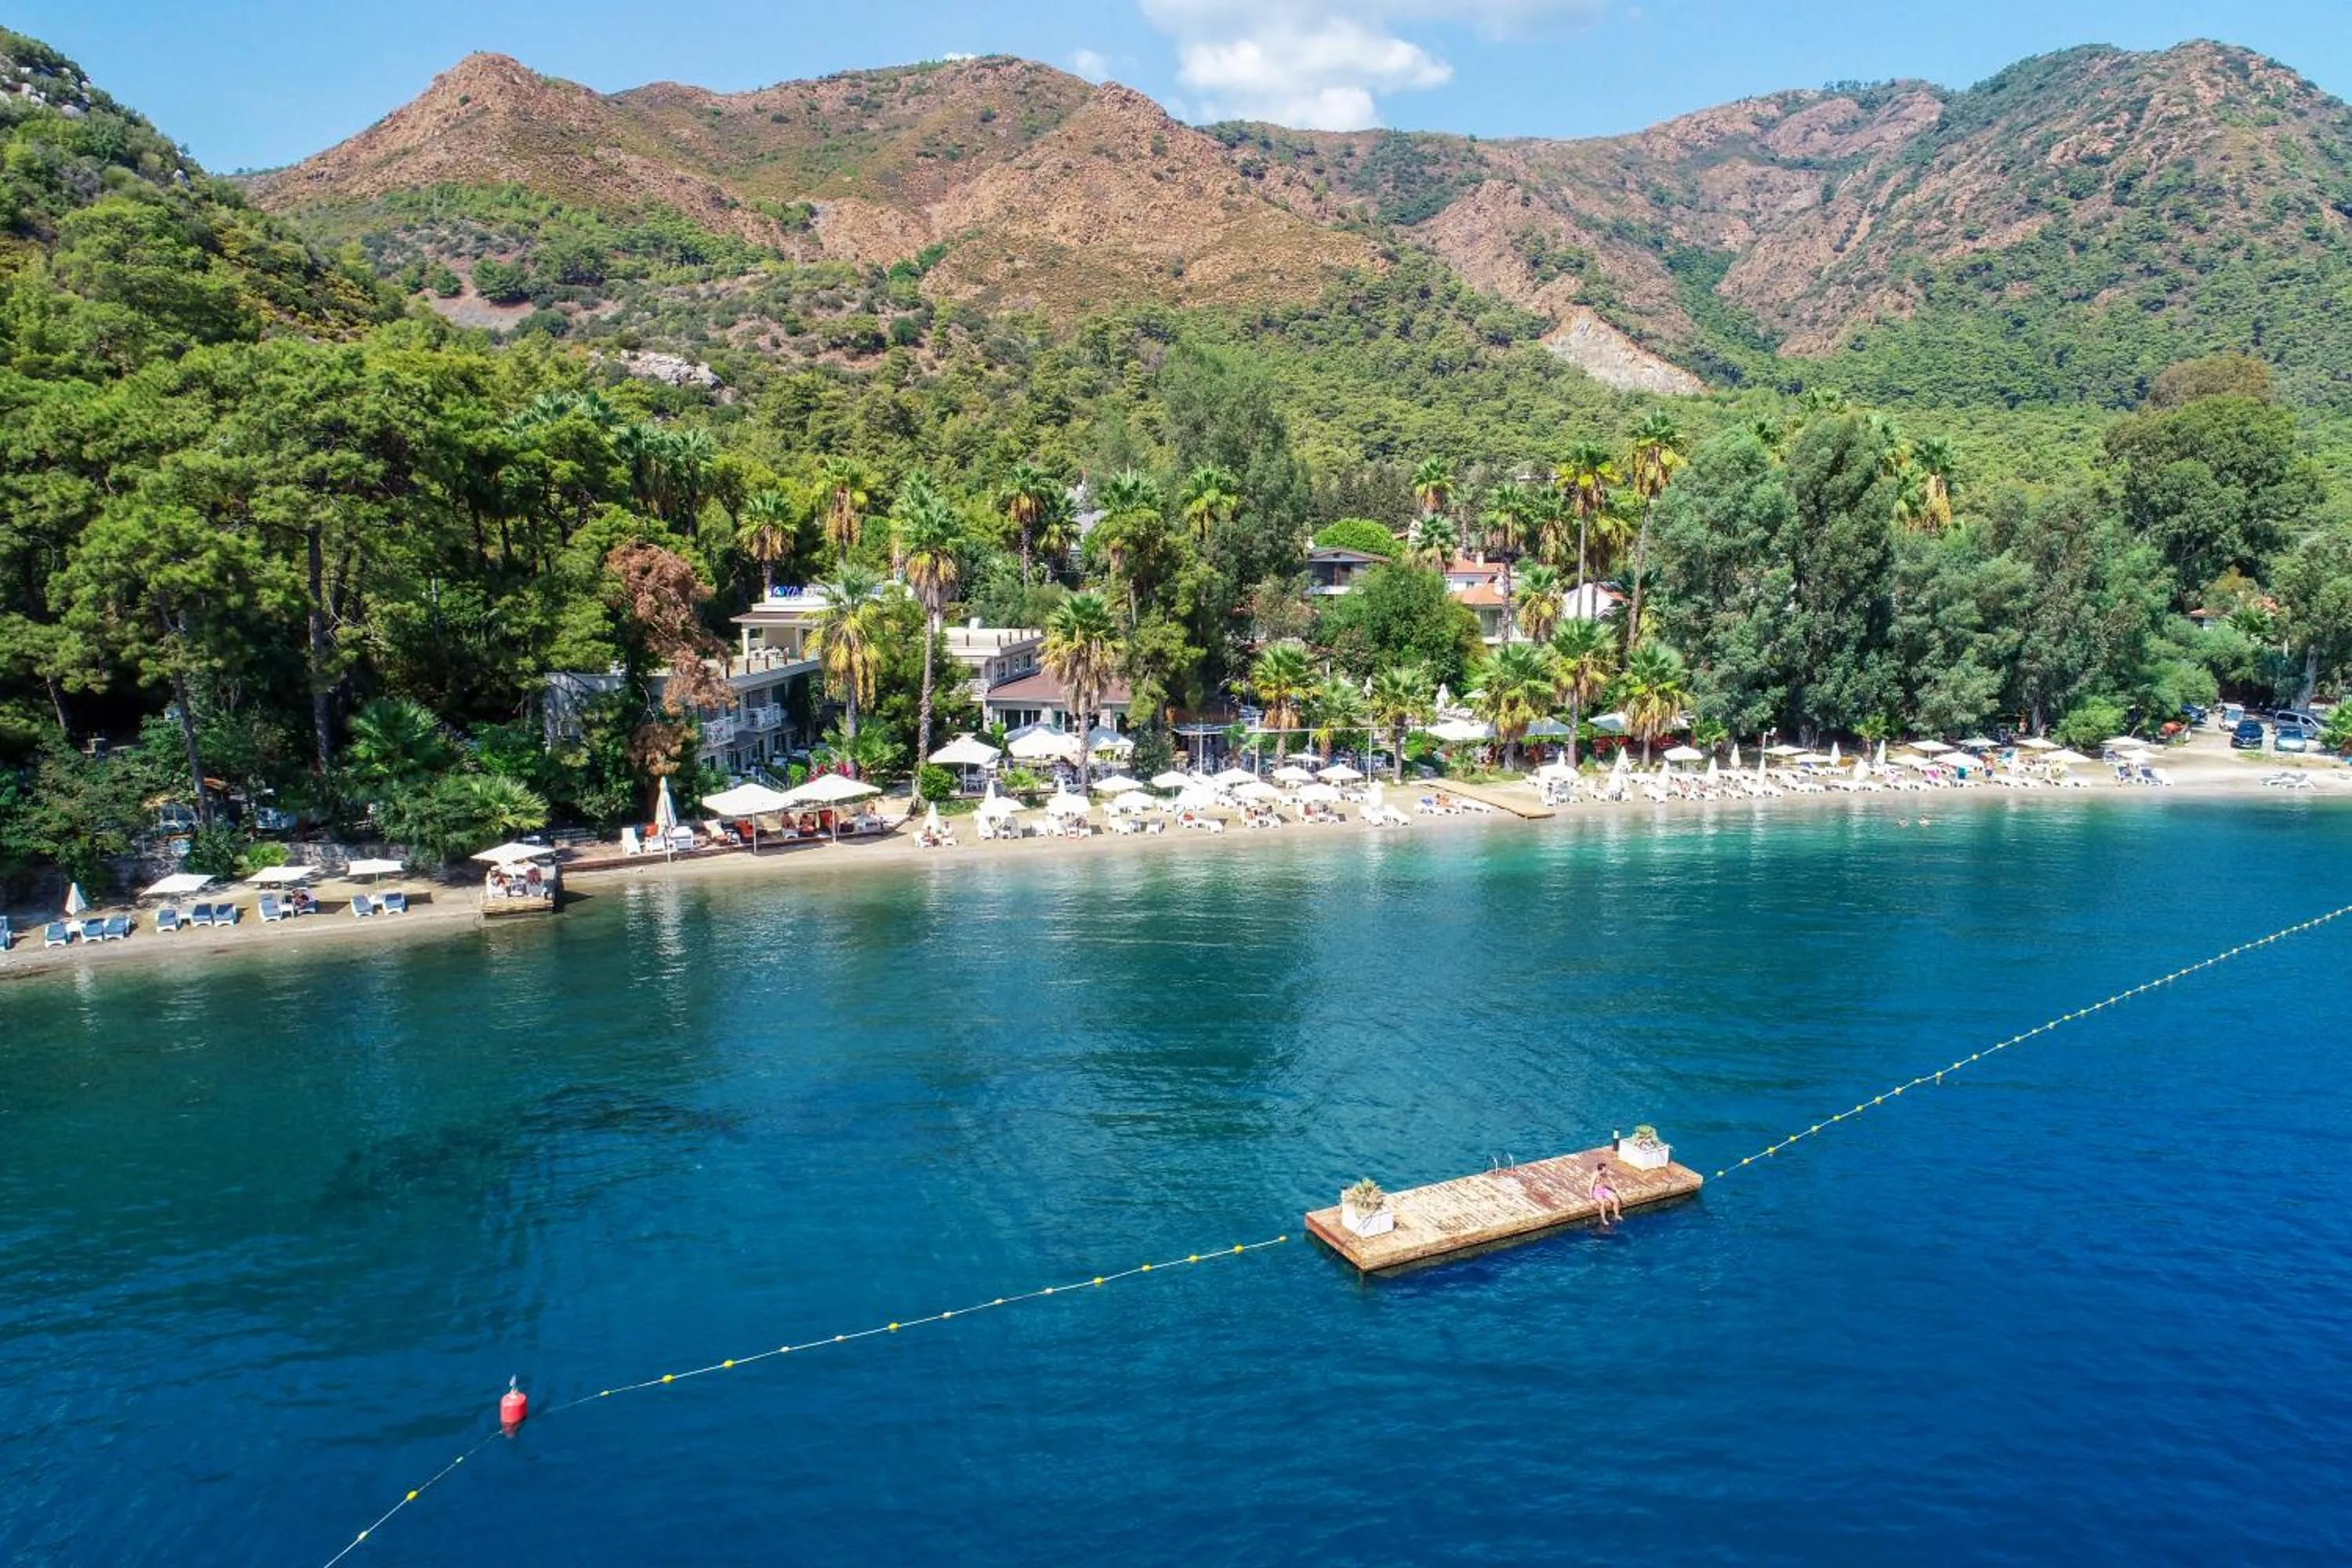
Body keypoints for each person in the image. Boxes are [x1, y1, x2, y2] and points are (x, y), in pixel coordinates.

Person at [1588, 1160, 1624, 1226]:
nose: (1606, 1170)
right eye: (1604, 1170)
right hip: (1597, 1191)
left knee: (1616, 1201)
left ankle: (1616, 1215)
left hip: (1604, 1190)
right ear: (1600, 1170)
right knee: (1602, 1204)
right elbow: (1591, 1186)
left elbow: (1611, 1181)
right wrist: (1591, 1198)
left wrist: (1616, 1190)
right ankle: (1604, 1219)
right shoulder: (1595, 1175)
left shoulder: (1605, 1173)